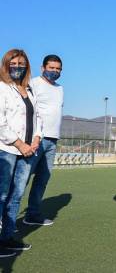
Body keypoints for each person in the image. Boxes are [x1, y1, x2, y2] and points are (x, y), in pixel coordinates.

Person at [0, 49, 42, 255]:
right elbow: (1, 123)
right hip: (6, 150)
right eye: (13, 63)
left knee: (16, 195)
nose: (18, 67)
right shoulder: (2, 88)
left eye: (21, 63)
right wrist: (19, 144)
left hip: (28, 151)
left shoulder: (29, 90)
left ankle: (7, 237)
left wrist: (36, 139)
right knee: (2, 195)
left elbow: (38, 118)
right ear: (6, 64)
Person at [21, 55, 64, 226]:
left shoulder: (60, 88)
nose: (55, 71)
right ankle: (6, 217)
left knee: (42, 179)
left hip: (52, 140)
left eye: (58, 69)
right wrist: (33, 137)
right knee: (22, 179)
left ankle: (32, 214)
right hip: (35, 139)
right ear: (42, 68)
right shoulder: (33, 83)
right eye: (51, 68)